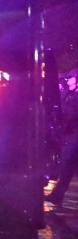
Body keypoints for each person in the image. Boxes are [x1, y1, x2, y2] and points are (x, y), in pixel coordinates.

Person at [48, 68, 78, 205]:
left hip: (74, 134)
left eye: (71, 78)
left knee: (67, 163)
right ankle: (57, 195)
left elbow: (68, 114)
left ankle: (57, 195)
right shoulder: (69, 94)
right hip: (70, 134)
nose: (68, 80)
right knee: (66, 165)